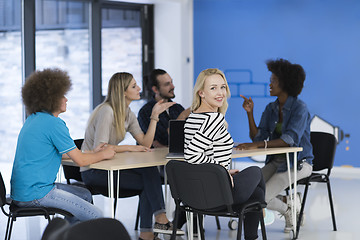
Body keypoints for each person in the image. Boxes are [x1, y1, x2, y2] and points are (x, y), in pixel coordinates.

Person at [80, 72, 184, 240]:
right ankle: (155, 225)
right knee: (149, 181)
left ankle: (150, 230)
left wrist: (154, 116)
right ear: (122, 92)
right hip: (94, 171)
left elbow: (145, 144)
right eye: (134, 86)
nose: (140, 89)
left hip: (110, 169)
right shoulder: (107, 111)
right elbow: (101, 148)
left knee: (149, 174)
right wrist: (129, 148)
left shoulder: (128, 113)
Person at [10, 68, 116, 224]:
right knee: (97, 216)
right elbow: (80, 161)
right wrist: (104, 154)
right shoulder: (53, 124)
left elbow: (66, 154)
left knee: (85, 194)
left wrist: (92, 152)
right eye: (62, 96)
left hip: (22, 193)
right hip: (37, 194)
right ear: (50, 99)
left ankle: (72, 234)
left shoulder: (34, 119)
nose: (66, 99)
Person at [184, 68, 266, 240]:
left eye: (222, 87)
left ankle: (254, 229)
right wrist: (221, 172)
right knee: (256, 172)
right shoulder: (213, 119)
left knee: (257, 195)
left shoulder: (193, 117)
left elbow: (200, 156)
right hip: (216, 194)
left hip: (198, 192)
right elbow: (191, 154)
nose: (220, 92)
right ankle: (258, 224)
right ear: (201, 93)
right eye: (213, 88)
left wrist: (223, 172)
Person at [236, 58, 313, 233]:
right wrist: (250, 113)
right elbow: (258, 137)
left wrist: (255, 145)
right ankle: (288, 203)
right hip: (277, 162)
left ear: (285, 83)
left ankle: (289, 210)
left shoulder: (300, 108)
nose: (269, 84)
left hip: (299, 163)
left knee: (261, 197)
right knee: (250, 191)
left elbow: (289, 140)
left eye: (273, 81)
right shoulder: (271, 108)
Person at [138, 69, 187, 148]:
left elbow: (187, 137)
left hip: (176, 156)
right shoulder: (145, 112)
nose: (173, 86)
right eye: (167, 84)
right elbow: (164, 139)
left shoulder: (177, 108)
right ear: (155, 89)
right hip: (154, 159)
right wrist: (182, 116)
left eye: (171, 82)